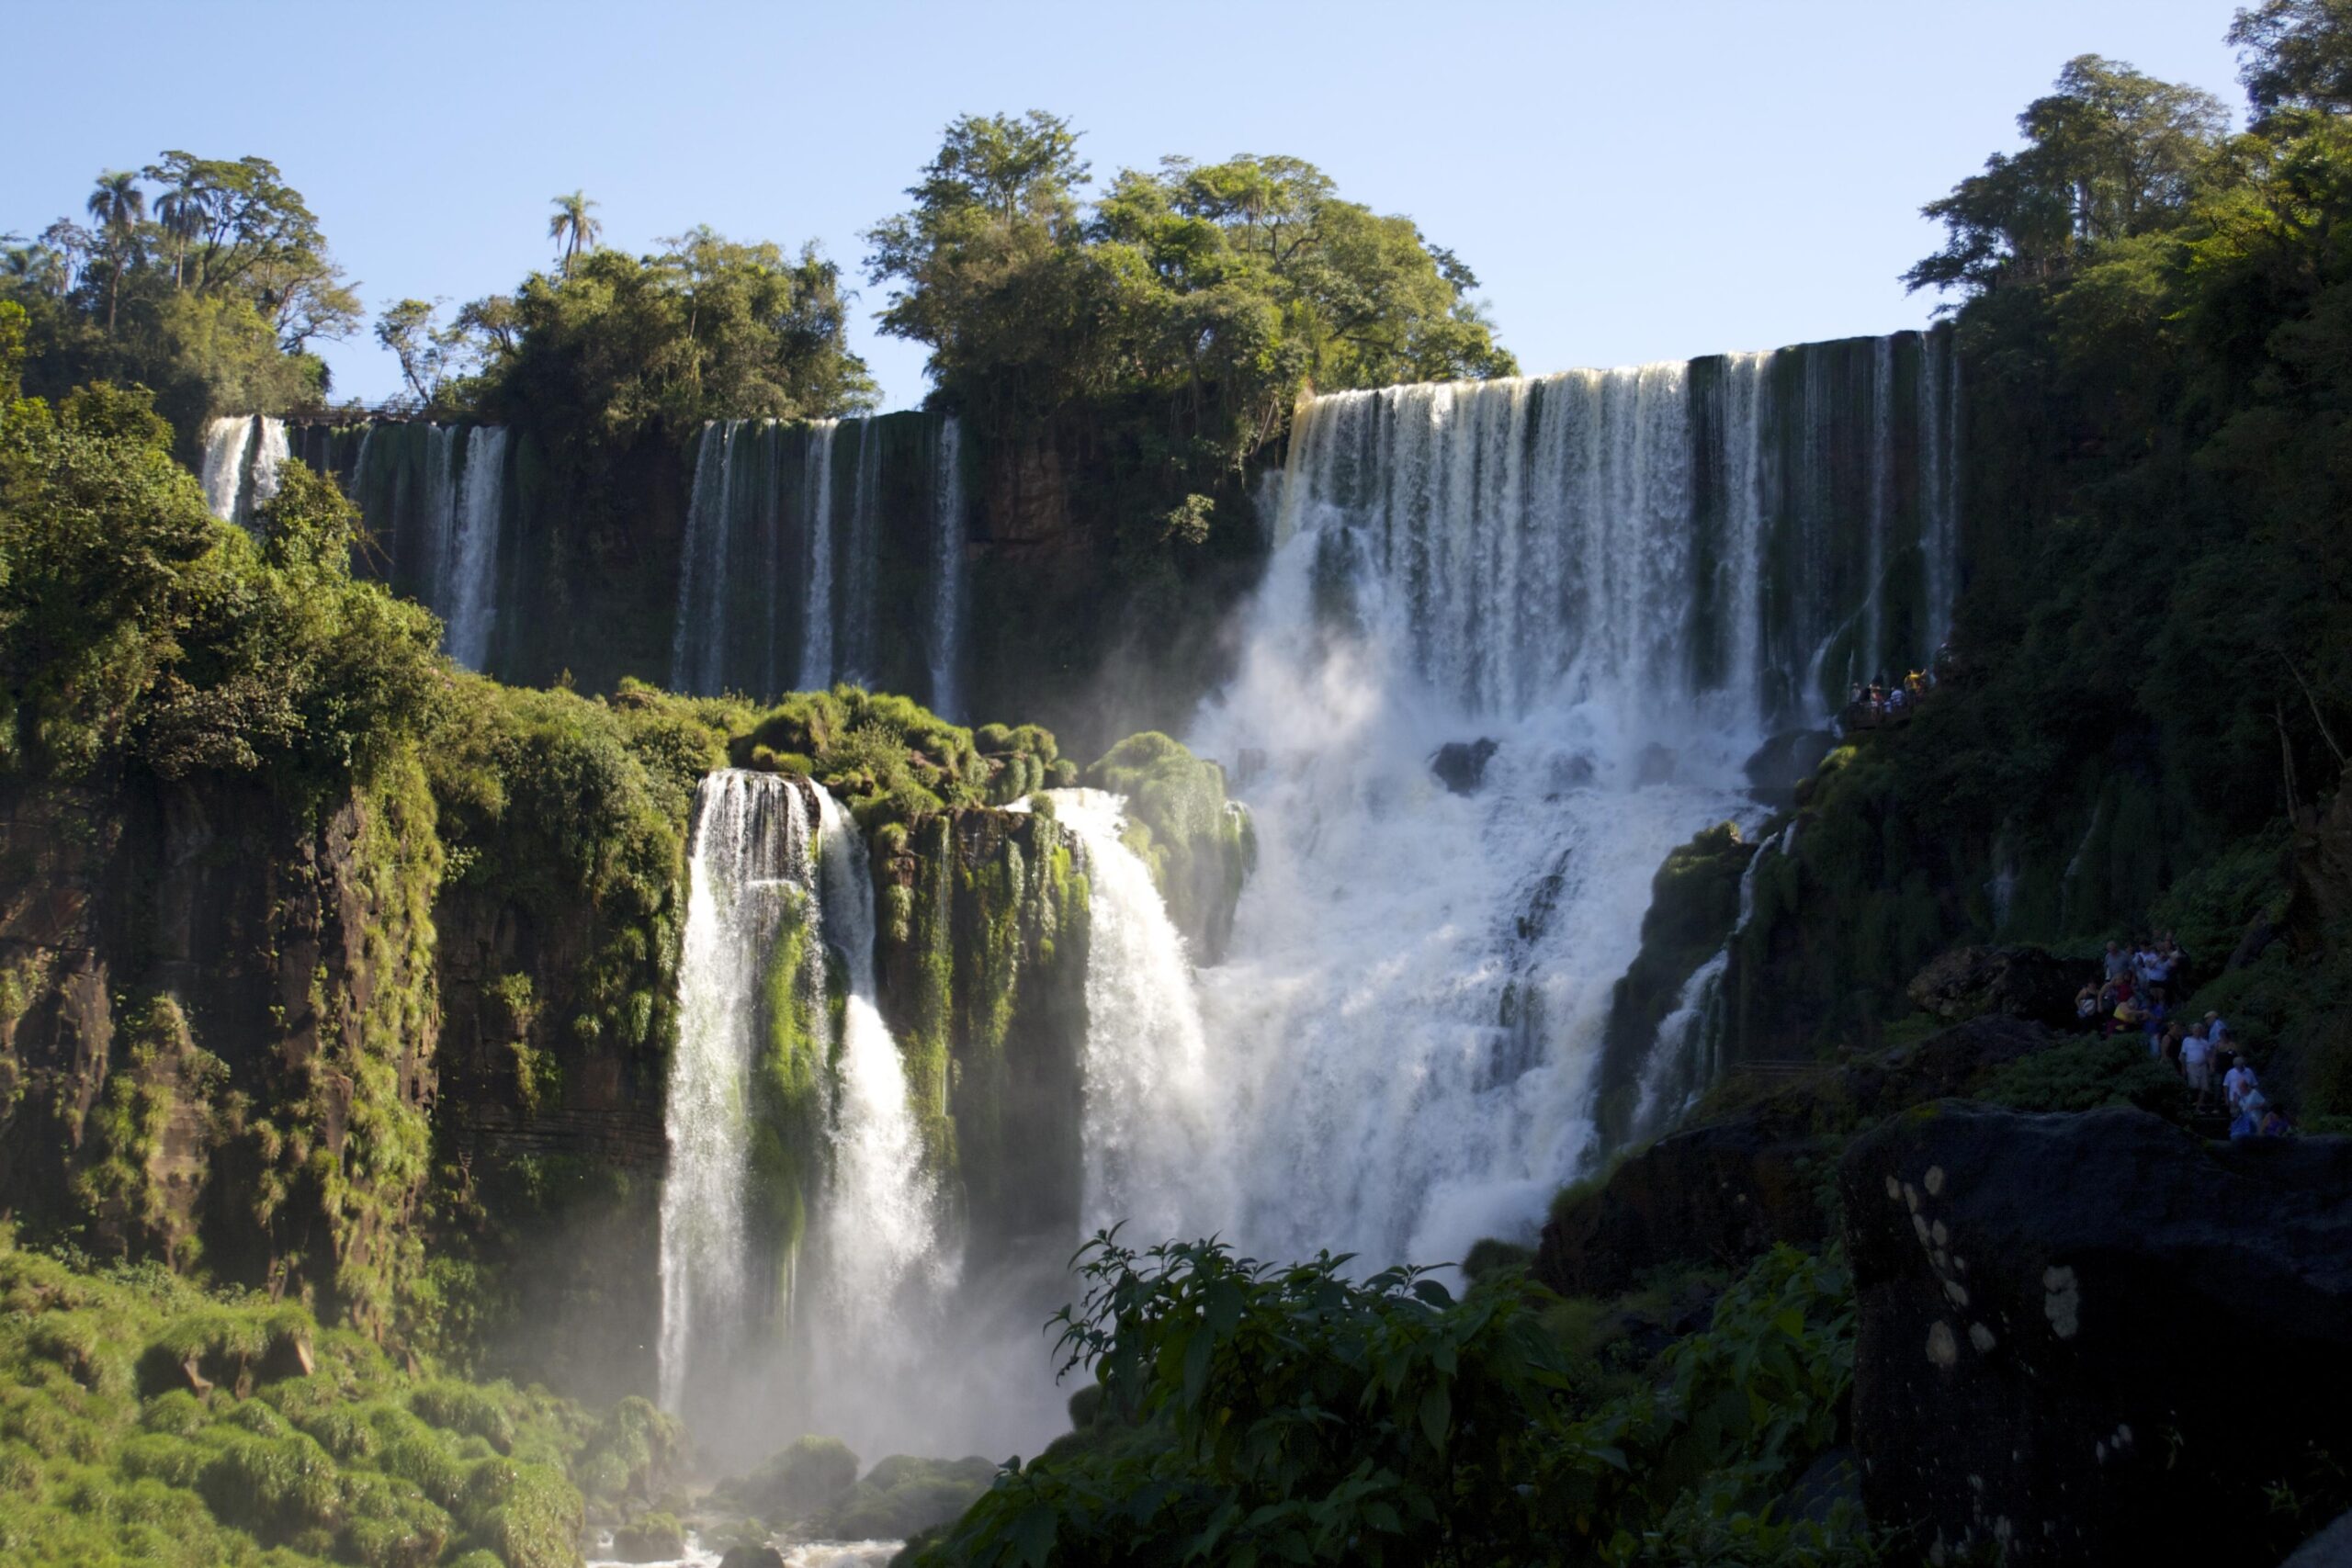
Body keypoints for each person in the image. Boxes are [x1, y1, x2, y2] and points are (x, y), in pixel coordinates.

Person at [2182, 1029, 2213, 1108]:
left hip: (2203, 1065)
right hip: (2191, 1064)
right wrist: (2183, 1067)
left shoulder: (2204, 1042)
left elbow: (2209, 1055)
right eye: (2196, 1030)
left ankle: (2199, 1105)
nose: (2198, 1032)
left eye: (2199, 1031)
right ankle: (2191, 1101)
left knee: (2204, 1086)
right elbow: (2183, 1054)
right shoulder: (2187, 1040)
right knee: (2194, 1084)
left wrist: (2211, 1066)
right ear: (2192, 1031)